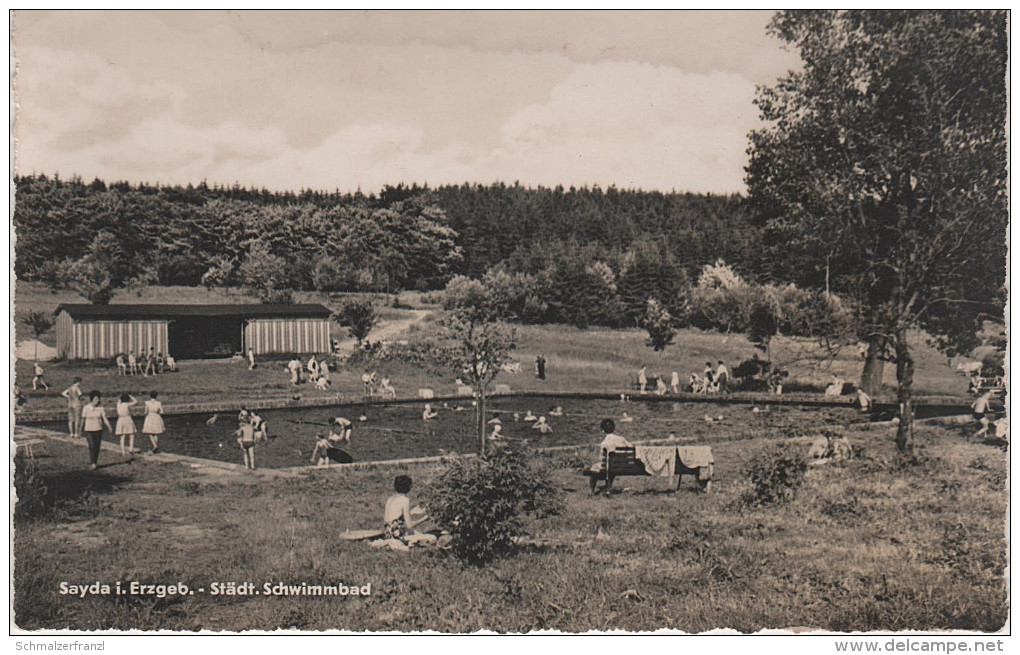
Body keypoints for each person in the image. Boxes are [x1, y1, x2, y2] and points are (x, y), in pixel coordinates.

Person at [383, 475, 432, 548]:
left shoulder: (390, 499)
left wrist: (411, 512)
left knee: (420, 534)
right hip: (399, 536)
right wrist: (425, 518)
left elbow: (393, 519)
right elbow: (409, 526)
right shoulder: (405, 500)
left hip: (388, 534)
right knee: (431, 537)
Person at [588, 418, 632, 495]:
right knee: (610, 466)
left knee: (594, 469)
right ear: (614, 428)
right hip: (623, 466)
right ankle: (608, 487)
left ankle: (591, 491)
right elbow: (631, 447)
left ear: (602, 430)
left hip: (610, 467)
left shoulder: (604, 443)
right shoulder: (621, 438)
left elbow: (601, 458)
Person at [81, 391, 113, 470]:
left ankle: (95, 462)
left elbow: (105, 419)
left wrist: (109, 427)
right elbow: (83, 419)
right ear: (91, 399)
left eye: (98, 399)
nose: (97, 400)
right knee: (91, 446)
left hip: (98, 429)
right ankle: (92, 463)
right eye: (95, 399)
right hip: (89, 430)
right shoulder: (86, 408)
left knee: (97, 447)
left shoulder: (101, 408)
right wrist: (79, 430)